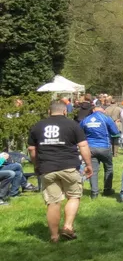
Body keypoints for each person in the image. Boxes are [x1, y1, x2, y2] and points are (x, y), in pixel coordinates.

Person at [28, 99, 94, 242]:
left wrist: (36, 164)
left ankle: (54, 236)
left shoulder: (37, 126)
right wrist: (89, 164)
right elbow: (83, 146)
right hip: (69, 166)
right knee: (74, 196)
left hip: (47, 168)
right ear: (65, 111)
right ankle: (68, 227)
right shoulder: (72, 125)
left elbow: (32, 149)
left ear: (49, 112)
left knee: (53, 202)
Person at [80, 103, 120, 198]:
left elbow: (79, 132)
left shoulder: (85, 120)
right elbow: (115, 132)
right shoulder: (106, 118)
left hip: (90, 148)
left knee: (93, 170)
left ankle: (94, 193)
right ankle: (107, 190)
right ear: (102, 110)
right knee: (108, 168)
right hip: (104, 147)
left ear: (93, 110)